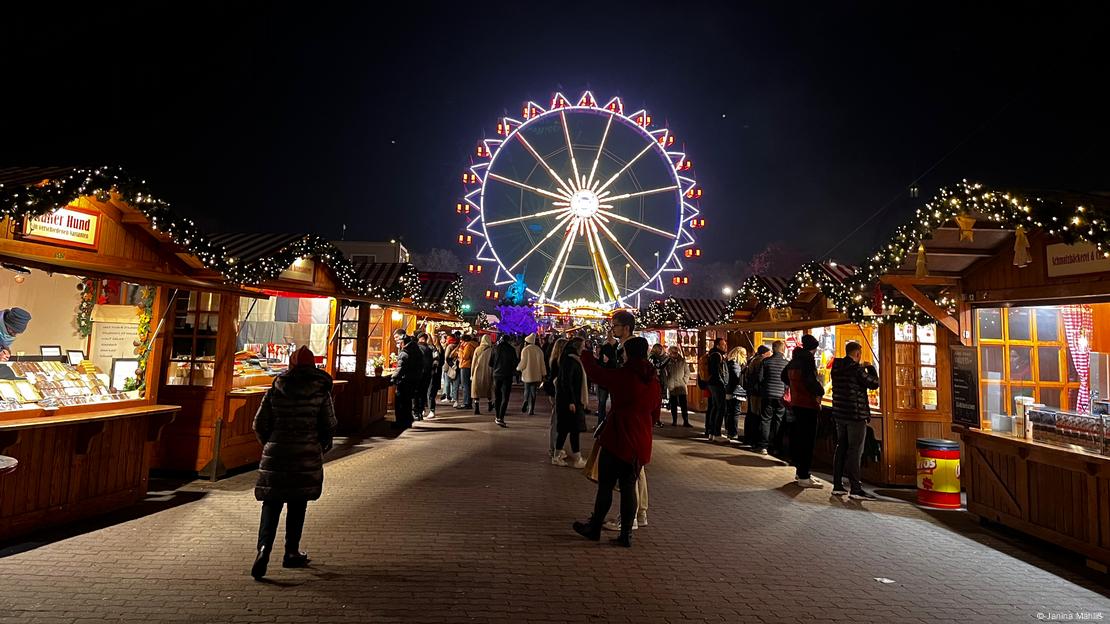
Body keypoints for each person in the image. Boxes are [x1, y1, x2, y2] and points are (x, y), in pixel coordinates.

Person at [250, 346, 337, 580]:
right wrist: (321, 444)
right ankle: (291, 552)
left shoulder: (275, 390)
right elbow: (329, 424)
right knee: (298, 504)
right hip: (305, 453)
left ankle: (263, 549)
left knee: (271, 503)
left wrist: (269, 442)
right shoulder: (321, 392)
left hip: (276, 452)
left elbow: (259, 423)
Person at [573, 336, 658, 548]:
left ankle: (595, 527)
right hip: (640, 439)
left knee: (606, 486)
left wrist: (584, 352)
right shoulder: (653, 380)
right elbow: (655, 413)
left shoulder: (625, 375)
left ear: (627, 353)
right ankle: (626, 534)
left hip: (618, 436)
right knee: (629, 487)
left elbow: (597, 373)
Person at [830, 341, 881, 500]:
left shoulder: (836, 367)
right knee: (855, 451)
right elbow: (874, 383)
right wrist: (871, 368)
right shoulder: (857, 369)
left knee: (841, 448)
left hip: (840, 414)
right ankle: (855, 488)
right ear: (858, 354)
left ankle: (837, 485)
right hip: (855, 415)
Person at [783, 334, 825, 488]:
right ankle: (804, 476)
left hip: (796, 403)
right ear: (813, 348)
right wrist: (820, 390)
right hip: (807, 404)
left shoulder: (795, 359)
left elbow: (784, 376)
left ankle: (801, 472)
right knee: (807, 440)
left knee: (799, 437)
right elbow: (810, 381)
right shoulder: (807, 359)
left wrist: (794, 387)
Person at [553, 337, 588, 467]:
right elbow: (567, 382)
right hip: (571, 401)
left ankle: (568, 456)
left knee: (570, 429)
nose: (584, 348)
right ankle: (574, 458)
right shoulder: (571, 361)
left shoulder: (569, 359)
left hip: (571, 400)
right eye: (583, 346)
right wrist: (571, 401)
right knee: (571, 429)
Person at [755, 340, 789, 456]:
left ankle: (763, 446)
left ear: (773, 349)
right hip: (780, 395)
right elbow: (787, 381)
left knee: (765, 419)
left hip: (767, 394)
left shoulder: (766, 362)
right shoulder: (786, 363)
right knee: (778, 421)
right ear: (782, 349)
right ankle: (776, 447)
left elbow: (759, 379)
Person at [391, 330, 422, 430]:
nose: (395, 340)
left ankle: (401, 422)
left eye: (396, 337)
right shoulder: (415, 347)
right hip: (413, 379)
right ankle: (407, 421)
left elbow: (401, 367)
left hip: (405, 380)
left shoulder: (405, 351)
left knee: (400, 402)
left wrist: (393, 378)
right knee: (407, 401)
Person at [743, 346, 771, 447]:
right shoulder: (761, 361)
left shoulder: (752, 360)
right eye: (769, 352)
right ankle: (754, 440)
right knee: (756, 415)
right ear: (764, 353)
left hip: (751, 391)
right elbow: (760, 378)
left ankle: (749, 438)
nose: (770, 354)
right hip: (757, 392)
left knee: (751, 414)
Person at [490, 334, 518, 427]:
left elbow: (490, 363)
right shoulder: (511, 349)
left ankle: (497, 416)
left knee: (497, 396)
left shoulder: (495, 348)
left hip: (497, 375)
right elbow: (515, 363)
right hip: (507, 375)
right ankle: (501, 417)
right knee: (505, 397)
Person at [704, 337, 729, 441]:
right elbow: (716, 371)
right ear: (717, 345)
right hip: (717, 384)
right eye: (723, 345)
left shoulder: (713, 354)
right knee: (720, 408)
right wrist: (722, 383)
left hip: (713, 384)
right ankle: (716, 433)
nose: (725, 346)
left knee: (715, 407)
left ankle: (711, 432)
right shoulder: (716, 355)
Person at [663, 346, 691, 427]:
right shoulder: (667, 361)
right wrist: (668, 382)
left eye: (676, 352)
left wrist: (685, 381)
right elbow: (664, 373)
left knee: (684, 404)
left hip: (681, 385)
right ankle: (674, 421)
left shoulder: (682, 361)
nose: (674, 354)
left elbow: (687, 372)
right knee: (673, 404)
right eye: (672, 352)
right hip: (672, 385)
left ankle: (686, 421)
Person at [517, 333, 545, 415]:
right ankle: (531, 409)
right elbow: (542, 363)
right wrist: (544, 373)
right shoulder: (539, 350)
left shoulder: (525, 350)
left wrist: (519, 368)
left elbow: (523, 362)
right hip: (536, 374)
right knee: (533, 392)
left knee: (527, 389)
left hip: (527, 374)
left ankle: (525, 400)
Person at [725, 346, 748, 440]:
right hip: (735, 391)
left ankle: (729, 431)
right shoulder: (736, 365)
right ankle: (733, 432)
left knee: (730, 412)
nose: (746, 356)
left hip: (729, 390)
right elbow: (737, 379)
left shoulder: (728, 363)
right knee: (735, 412)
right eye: (744, 354)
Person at [595, 336, 619, 423]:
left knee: (605, 402)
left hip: (609, 379)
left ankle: (604, 422)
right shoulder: (607, 348)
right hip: (607, 379)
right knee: (603, 402)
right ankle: (602, 423)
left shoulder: (617, 348)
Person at [470, 335, 493, 415]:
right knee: (489, 388)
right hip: (488, 371)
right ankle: (490, 404)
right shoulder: (491, 350)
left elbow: (473, 362)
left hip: (477, 371)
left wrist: (472, 373)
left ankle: (477, 407)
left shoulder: (477, 349)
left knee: (476, 389)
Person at [415, 333, 434, 421]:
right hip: (427, 374)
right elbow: (435, 361)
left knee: (416, 393)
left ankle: (416, 412)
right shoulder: (430, 348)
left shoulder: (417, 348)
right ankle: (420, 411)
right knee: (423, 393)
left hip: (419, 374)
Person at [425, 333, 443, 420]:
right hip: (428, 374)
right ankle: (426, 410)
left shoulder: (432, 348)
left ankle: (432, 410)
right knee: (427, 392)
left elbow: (437, 361)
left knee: (430, 392)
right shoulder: (427, 348)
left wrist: (432, 370)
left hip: (431, 374)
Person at [456, 334, 477, 409]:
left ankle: (466, 403)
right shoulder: (471, 345)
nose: (460, 342)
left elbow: (465, 356)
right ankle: (467, 402)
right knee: (466, 385)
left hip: (465, 366)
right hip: (467, 366)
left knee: (465, 385)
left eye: (461, 340)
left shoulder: (468, 346)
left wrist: (460, 350)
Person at [441, 334, 460, 404]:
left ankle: (448, 397)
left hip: (449, 366)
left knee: (447, 382)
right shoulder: (458, 346)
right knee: (455, 383)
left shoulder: (449, 346)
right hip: (457, 366)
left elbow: (446, 357)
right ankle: (454, 398)